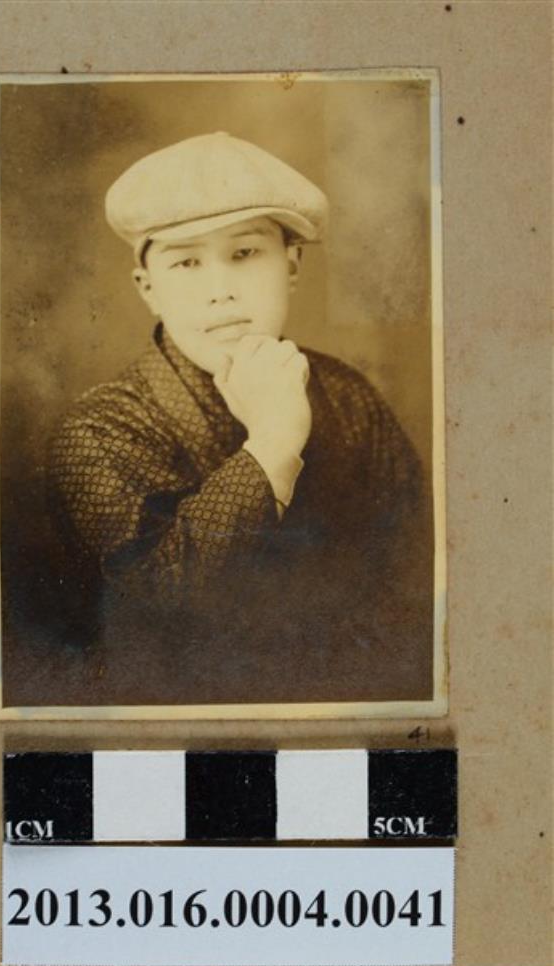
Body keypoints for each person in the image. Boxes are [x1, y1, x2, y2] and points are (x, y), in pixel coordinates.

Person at [49, 131, 433, 706]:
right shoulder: (100, 429)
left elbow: (414, 575)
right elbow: (162, 601)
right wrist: (274, 441)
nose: (220, 291)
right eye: (187, 262)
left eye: (245, 254)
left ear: (292, 265)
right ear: (148, 288)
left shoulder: (349, 398)